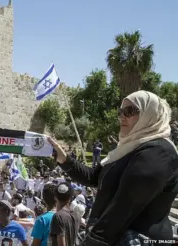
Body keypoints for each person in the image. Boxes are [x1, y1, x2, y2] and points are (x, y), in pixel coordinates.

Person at [49, 90, 178, 245]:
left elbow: (124, 207)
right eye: (121, 111)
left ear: (149, 114)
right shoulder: (128, 148)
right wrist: (64, 159)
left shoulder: (158, 153)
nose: (122, 116)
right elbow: (94, 177)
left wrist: (91, 242)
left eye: (129, 111)